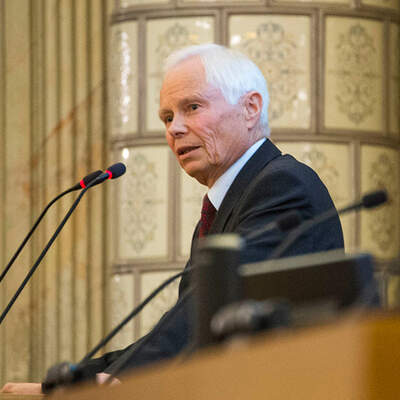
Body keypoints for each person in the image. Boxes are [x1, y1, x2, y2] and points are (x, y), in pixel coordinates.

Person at [1, 43, 344, 394]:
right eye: (167, 118)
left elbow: (213, 314)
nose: (174, 129)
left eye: (192, 107)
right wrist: (78, 379)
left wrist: (122, 378)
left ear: (250, 108)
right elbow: (190, 326)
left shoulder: (282, 185)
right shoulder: (224, 207)